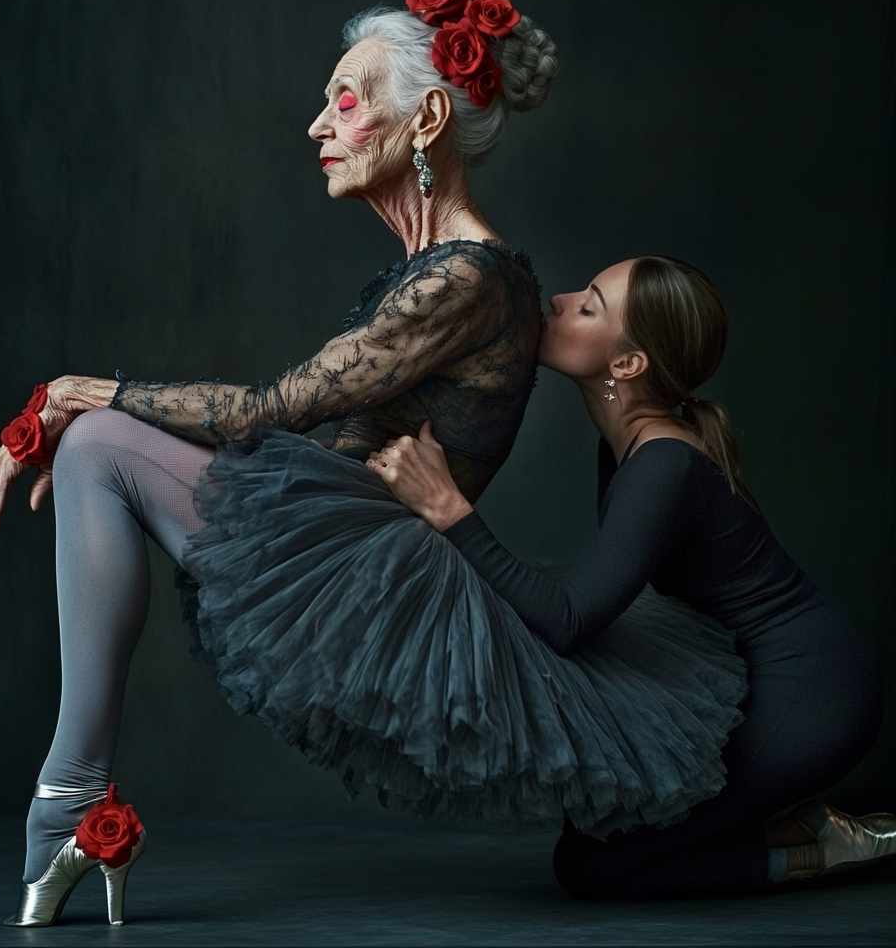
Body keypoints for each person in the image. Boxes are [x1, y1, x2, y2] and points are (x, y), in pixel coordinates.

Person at [0, 0, 568, 927]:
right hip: (344, 547)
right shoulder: (440, 271)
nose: (317, 126)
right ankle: (68, 808)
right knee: (93, 449)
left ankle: (67, 807)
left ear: (424, 119)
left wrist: (84, 392)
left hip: (374, 582)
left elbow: (273, 409)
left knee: (94, 441)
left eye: (344, 100)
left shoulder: (468, 277)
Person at [368, 254, 892, 898]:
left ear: (627, 365)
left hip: (810, 697)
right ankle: (793, 827)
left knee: (594, 865)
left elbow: (567, 619)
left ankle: (828, 851)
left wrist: (448, 506)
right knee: (601, 849)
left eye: (588, 306)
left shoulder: (664, 464)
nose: (556, 302)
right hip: (744, 676)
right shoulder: (631, 445)